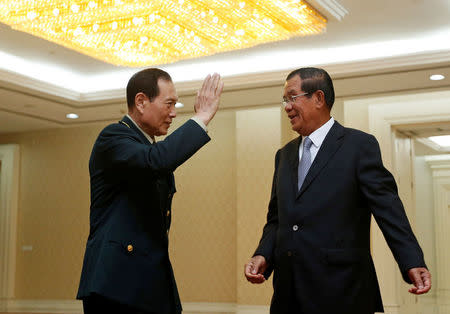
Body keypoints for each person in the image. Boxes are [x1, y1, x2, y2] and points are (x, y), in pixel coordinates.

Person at [244, 67, 431, 314]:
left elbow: (388, 208)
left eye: (292, 98)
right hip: (288, 292)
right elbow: (277, 219)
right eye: (284, 100)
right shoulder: (284, 155)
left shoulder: (358, 146)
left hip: (343, 290)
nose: (286, 107)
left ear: (319, 98)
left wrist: (412, 260)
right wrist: (262, 255)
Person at [77, 68, 224, 314]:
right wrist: (202, 117)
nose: (174, 113)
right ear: (141, 101)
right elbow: (156, 160)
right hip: (116, 285)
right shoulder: (113, 137)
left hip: (148, 283)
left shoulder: (145, 145)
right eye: (169, 104)